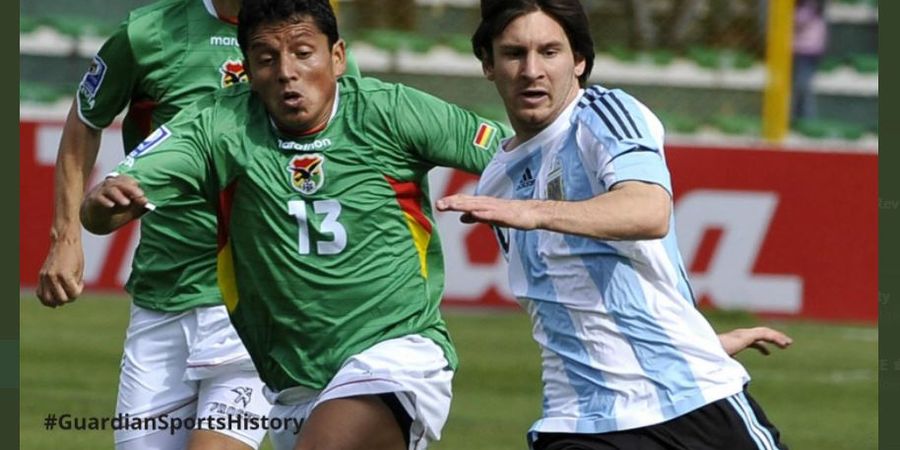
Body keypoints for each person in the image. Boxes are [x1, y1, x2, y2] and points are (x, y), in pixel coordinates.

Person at [79, 0, 509, 449]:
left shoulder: (392, 112)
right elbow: (113, 199)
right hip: (292, 383)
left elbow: (509, 151)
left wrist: (546, 210)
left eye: (303, 53)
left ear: (337, 57)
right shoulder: (217, 125)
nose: (286, 71)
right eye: (266, 59)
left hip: (392, 354)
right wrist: (104, 203)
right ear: (247, 68)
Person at [437, 0, 790, 448]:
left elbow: (648, 211)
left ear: (579, 61)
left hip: (692, 406)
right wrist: (699, 339)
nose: (531, 70)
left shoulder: (601, 116)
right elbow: (576, 304)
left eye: (550, 51)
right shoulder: (499, 179)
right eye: (513, 53)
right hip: (579, 420)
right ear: (488, 64)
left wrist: (538, 211)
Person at [791, 0, 827, 123]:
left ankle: (807, 118)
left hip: (808, 50)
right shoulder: (800, 5)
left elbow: (800, 20)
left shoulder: (813, 6)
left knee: (803, 85)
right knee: (798, 86)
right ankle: (797, 116)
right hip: (798, 50)